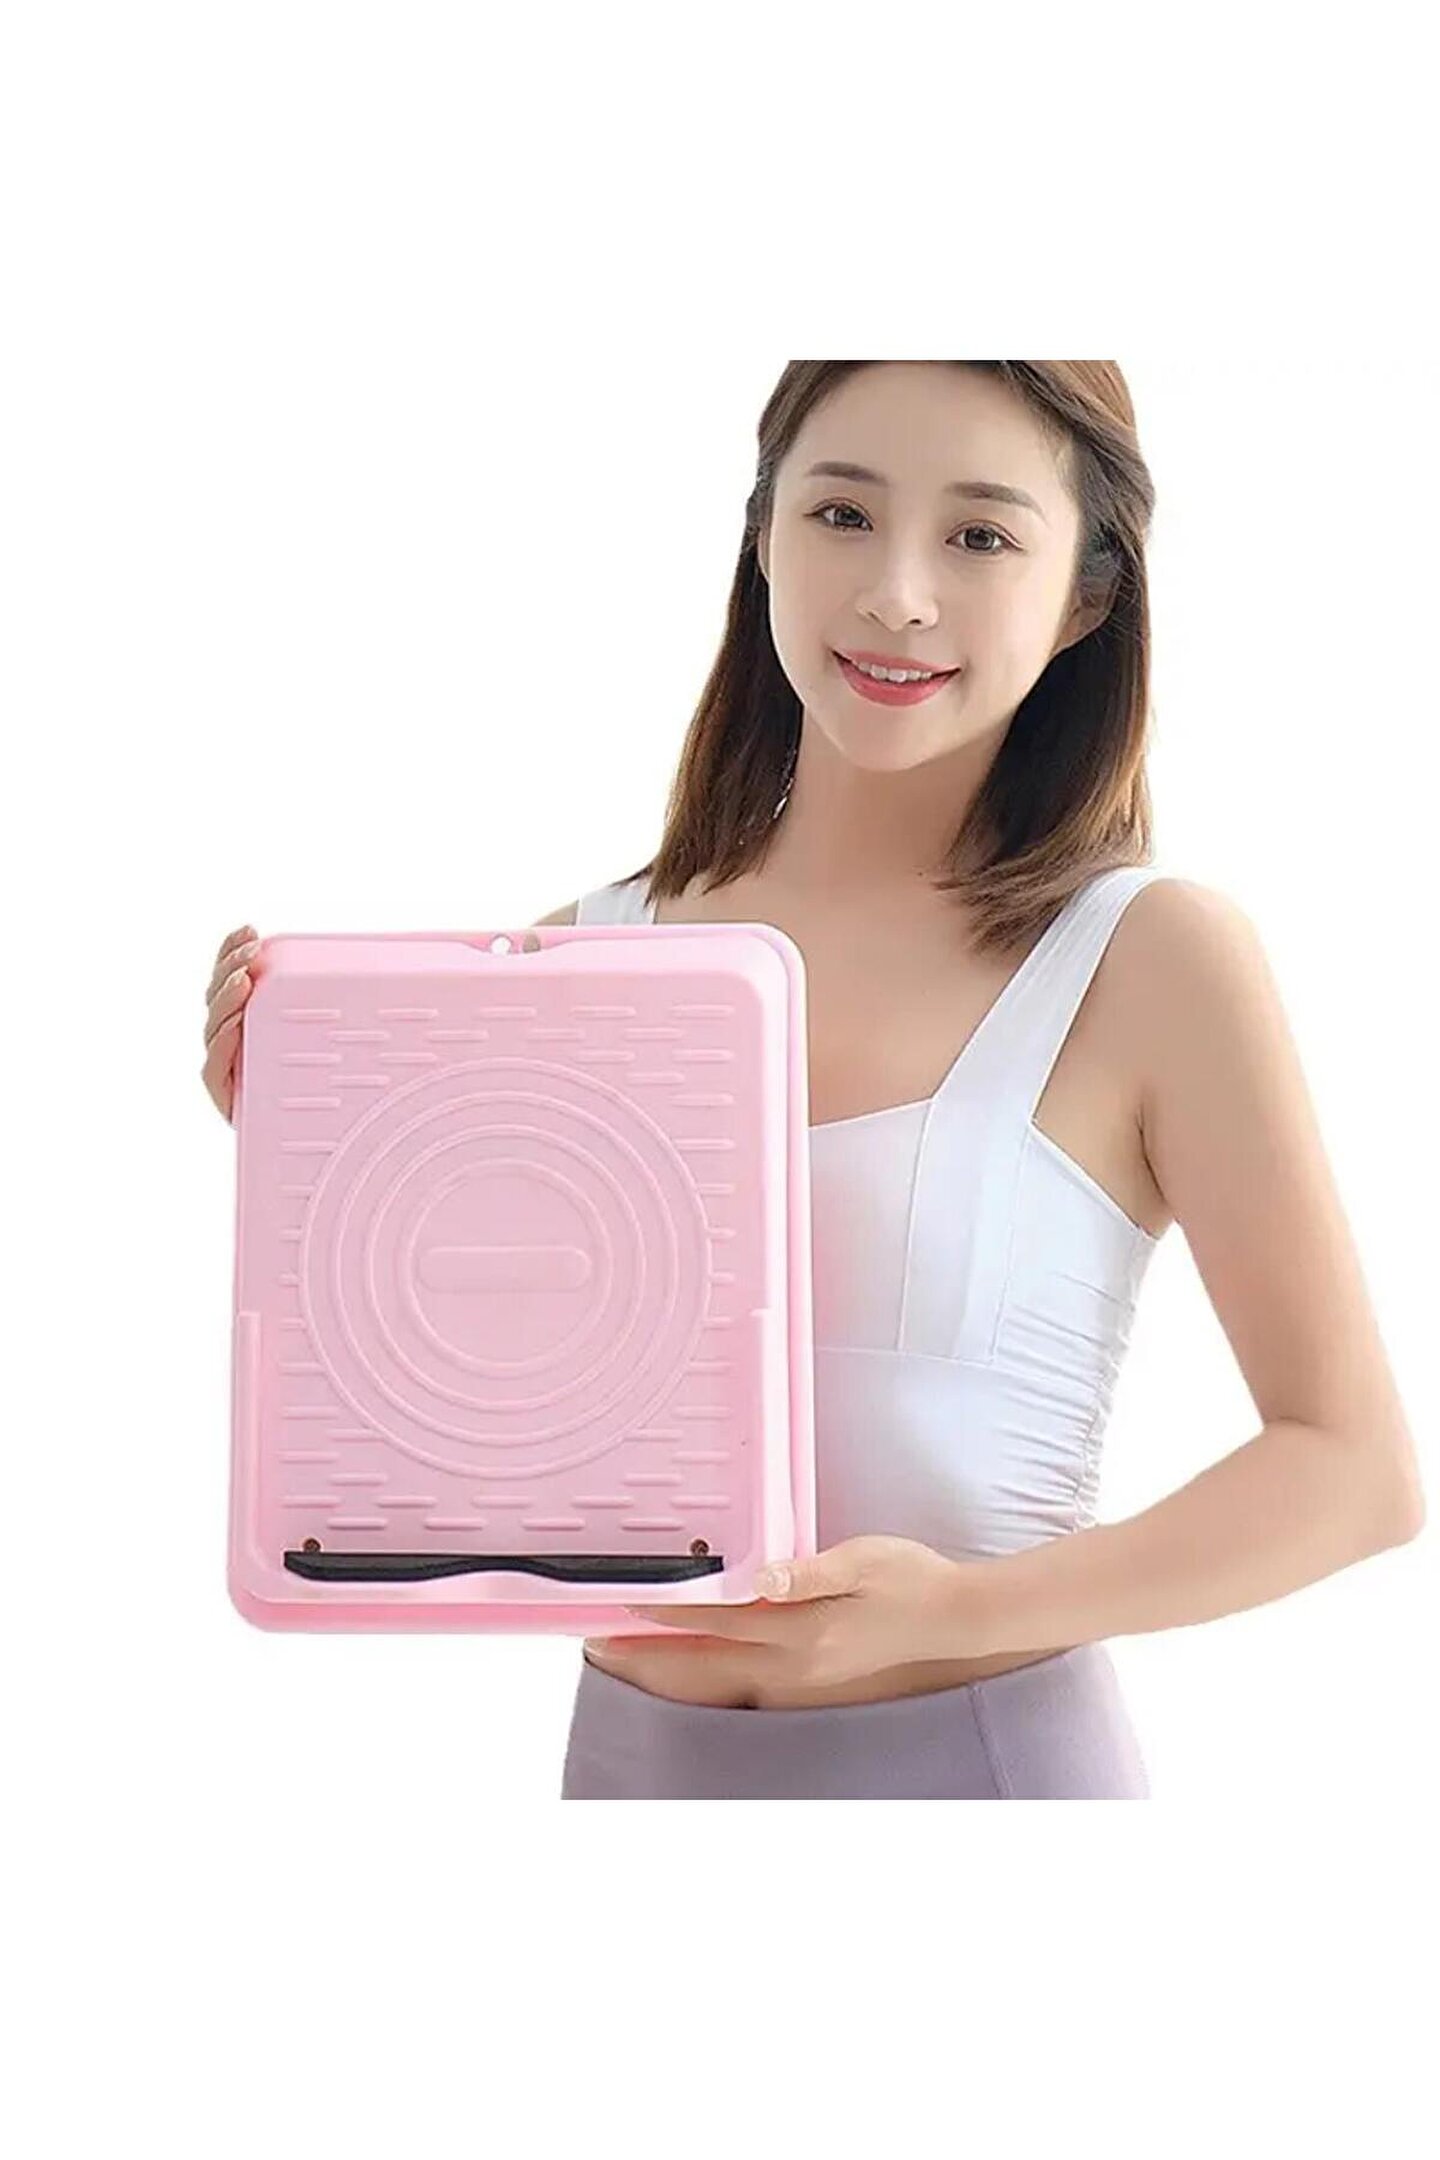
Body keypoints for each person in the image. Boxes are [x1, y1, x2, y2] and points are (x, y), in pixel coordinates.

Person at [202, 361, 1423, 1799]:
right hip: (631, 1770)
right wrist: (317, 1144)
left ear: (1087, 595)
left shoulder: (1146, 959)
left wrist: (960, 1610)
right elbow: (452, 1393)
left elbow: (1354, 1472)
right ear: (764, 537)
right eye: (842, 514)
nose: (897, 594)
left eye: (980, 535)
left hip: (990, 1773)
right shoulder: (579, 958)